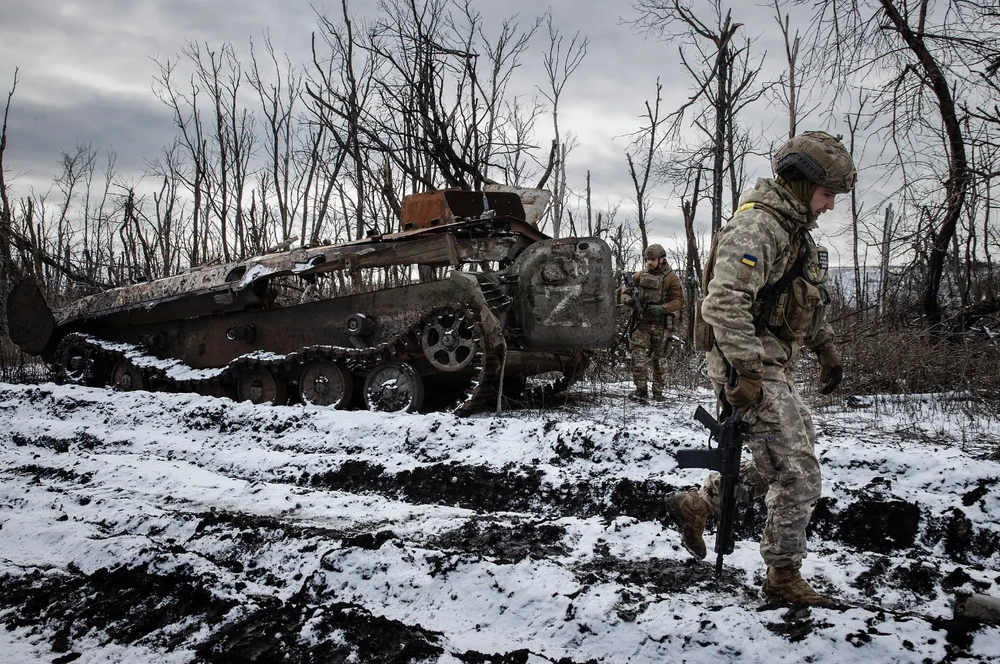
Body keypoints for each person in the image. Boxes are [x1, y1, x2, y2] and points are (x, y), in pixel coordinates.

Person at [666, 131, 854, 606]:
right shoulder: (758, 229)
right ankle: (782, 576)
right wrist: (747, 372)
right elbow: (724, 302)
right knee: (799, 472)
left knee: (784, 457)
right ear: (799, 182)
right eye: (827, 193)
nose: (830, 205)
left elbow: (804, 305)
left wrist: (826, 349)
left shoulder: (795, 235)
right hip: (745, 366)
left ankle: (696, 503)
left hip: (771, 365)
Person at [620, 244, 685, 401]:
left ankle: (658, 392)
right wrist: (628, 301)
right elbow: (625, 292)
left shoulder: (671, 278)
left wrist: (662, 308)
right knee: (637, 355)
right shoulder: (640, 275)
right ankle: (641, 390)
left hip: (661, 324)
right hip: (641, 323)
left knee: (660, 358)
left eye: (653, 259)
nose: (649, 262)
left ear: (662, 259)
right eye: (648, 259)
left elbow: (679, 301)